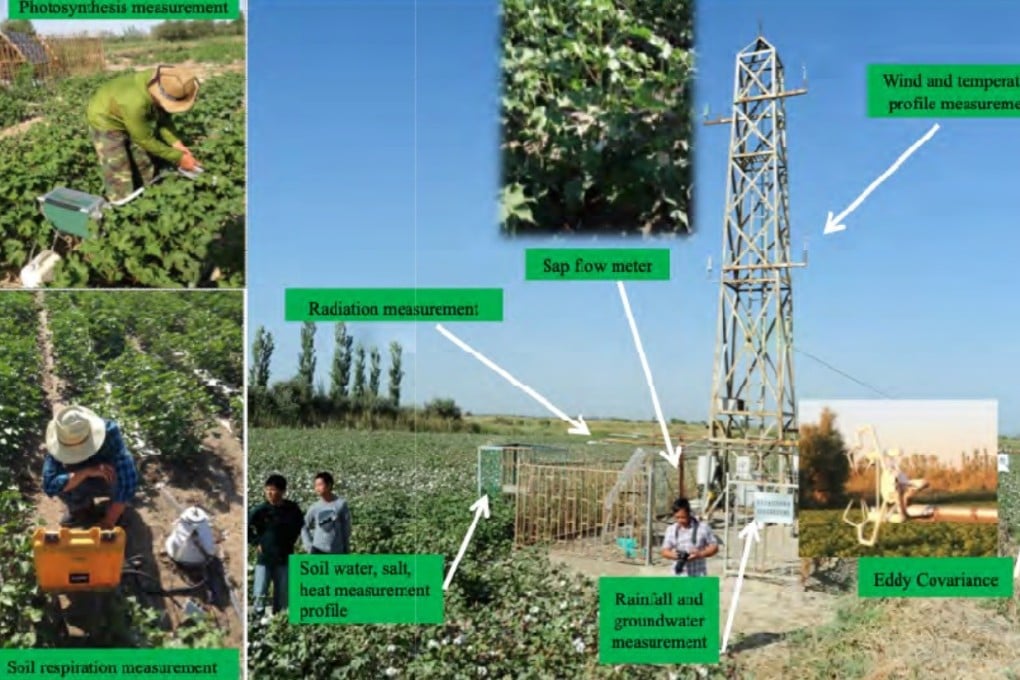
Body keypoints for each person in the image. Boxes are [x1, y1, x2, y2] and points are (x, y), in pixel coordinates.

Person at [86, 64, 201, 202]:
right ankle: (121, 205)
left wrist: (177, 144)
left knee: (143, 162)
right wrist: (178, 158)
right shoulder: (135, 103)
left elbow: (163, 119)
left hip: (129, 113)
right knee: (119, 169)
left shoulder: (161, 81)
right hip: (105, 119)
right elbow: (144, 139)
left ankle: (148, 194)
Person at [41, 405, 139, 529]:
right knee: (62, 482)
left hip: (106, 478)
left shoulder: (109, 433)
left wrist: (109, 521)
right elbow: (50, 484)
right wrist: (86, 472)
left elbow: (127, 479)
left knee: (118, 474)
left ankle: (115, 510)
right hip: (82, 476)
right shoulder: (57, 442)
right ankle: (81, 508)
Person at [248, 474, 304, 616]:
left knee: (282, 593)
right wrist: (255, 542)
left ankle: (279, 620)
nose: (269, 493)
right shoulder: (260, 510)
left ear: (283, 491)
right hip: (264, 558)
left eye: (273, 490)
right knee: (260, 592)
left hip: (284, 557)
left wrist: (293, 540)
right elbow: (246, 526)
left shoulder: (292, 509)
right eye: (267, 490)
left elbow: (301, 526)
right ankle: (257, 619)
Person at [661, 497, 719, 577]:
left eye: (683, 517)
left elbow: (714, 547)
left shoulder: (703, 527)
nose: (680, 520)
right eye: (677, 517)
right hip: (678, 577)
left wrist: (700, 554)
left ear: (689, 513)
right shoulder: (671, 529)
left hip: (698, 575)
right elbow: (664, 551)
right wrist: (675, 556)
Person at [301, 472, 351, 555]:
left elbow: (346, 529)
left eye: (320, 485)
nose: (317, 488)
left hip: (337, 552)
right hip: (318, 550)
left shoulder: (341, 504)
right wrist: (309, 546)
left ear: (329, 485)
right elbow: (303, 526)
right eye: (316, 485)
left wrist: (346, 549)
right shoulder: (314, 507)